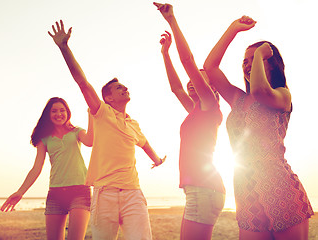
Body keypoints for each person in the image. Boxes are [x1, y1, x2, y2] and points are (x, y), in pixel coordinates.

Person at [48, 20, 166, 240]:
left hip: (133, 193)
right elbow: (82, 82)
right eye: (119, 88)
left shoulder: (133, 123)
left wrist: (157, 159)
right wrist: (64, 48)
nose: (125, 89)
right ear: (108, 98)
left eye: (125, 86)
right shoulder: (101, 113)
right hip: (105, 194)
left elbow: (145, 143)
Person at [203, 16, 314, 240]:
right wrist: (233, 29)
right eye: (245, 60)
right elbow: (210, 67)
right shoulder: (238, 99)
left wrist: (263, 52)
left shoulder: (282, 96)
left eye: (254, 59)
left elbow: (260, 92)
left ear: (272, 64)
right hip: (246, 194)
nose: (247, 63)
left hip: (280, 189)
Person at [154, 3, 225, 240]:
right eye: (192, 81)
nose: (192, 82)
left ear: (211, 87)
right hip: (198, 190)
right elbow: (175, 87)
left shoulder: (210, 104)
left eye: (200, 79)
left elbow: (188, 62)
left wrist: (172, 21)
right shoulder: (196, 109)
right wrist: (165, 54)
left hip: (205, 189)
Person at [0, 97, 93, 240]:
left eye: (62, 110)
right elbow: (36, 168)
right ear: (48, 115)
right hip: (55, 193)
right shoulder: (45, 139)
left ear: (67, 112)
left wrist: (91, 114)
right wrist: (20, 192)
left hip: (80, 191)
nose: (59, 114)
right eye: (54, 111)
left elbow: (90, 141)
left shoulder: (77, 132)